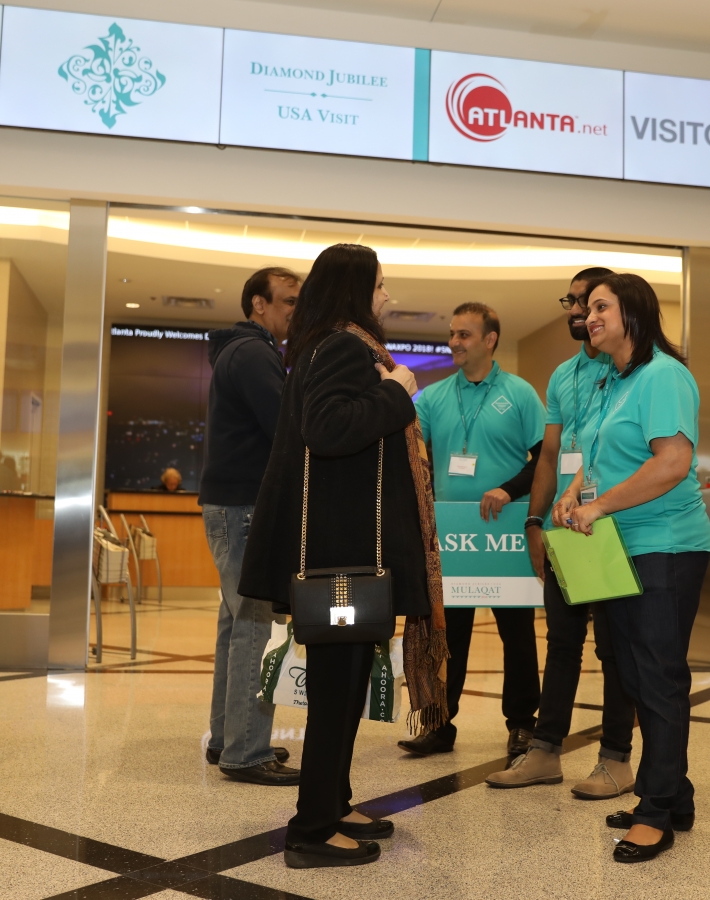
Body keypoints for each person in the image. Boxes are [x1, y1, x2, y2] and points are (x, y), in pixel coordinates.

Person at [239, 244, 449, 869]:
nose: (389, 296)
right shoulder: (342, 346)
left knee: (348, 684)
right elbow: (329, 431)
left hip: (348, 555)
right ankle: (310, 830)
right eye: (381, 285)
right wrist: (398, 392)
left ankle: (334, 800)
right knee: (336, 690)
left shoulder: (333, 345)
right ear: (357, 291)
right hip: (340, 562)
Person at [552, 272, 710, 864]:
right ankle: (676, 795)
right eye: (587, 308)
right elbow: (594, 457)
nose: (588, 316)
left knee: (658, 673)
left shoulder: (664, 375)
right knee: (636, 673)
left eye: (600, 306)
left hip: (665, 543)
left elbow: (671, 463)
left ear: (633, 314)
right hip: (617, 545)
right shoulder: (610, 381)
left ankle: (655, 810)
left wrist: (596, 505)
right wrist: (572, 495)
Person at [485, 268, 638, 799]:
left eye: (588, 303)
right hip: (567, 523)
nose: (577, 312)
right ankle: (546, 752)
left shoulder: (630, 373)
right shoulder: (562, 376)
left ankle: (616, 758)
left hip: (616, 522)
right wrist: (535, 519)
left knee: (616, 648)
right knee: (563, 643)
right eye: (572, 302)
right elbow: (549, 455)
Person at [398, 302, 546, 759]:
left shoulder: (521, 394)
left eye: (464, 334)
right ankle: (440, 725)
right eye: (452, 334)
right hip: (451, 536)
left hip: (504, 533)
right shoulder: (435, 397)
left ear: (490, 339)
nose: (455, 342)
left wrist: (507, 488)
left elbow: (544, 461)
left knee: (517, 635)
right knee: (448, 634)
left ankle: (522, 724)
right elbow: (410, 457)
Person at [200, 266, 301, 785]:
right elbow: (288, 425)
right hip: (243, 508)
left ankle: (228, 738)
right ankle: (246, 751)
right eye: (286, 301)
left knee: (236, 624)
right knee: (254, 627)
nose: (293, 311)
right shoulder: (256, 353)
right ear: (258, 305)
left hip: (227, 506)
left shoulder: (237, 352)